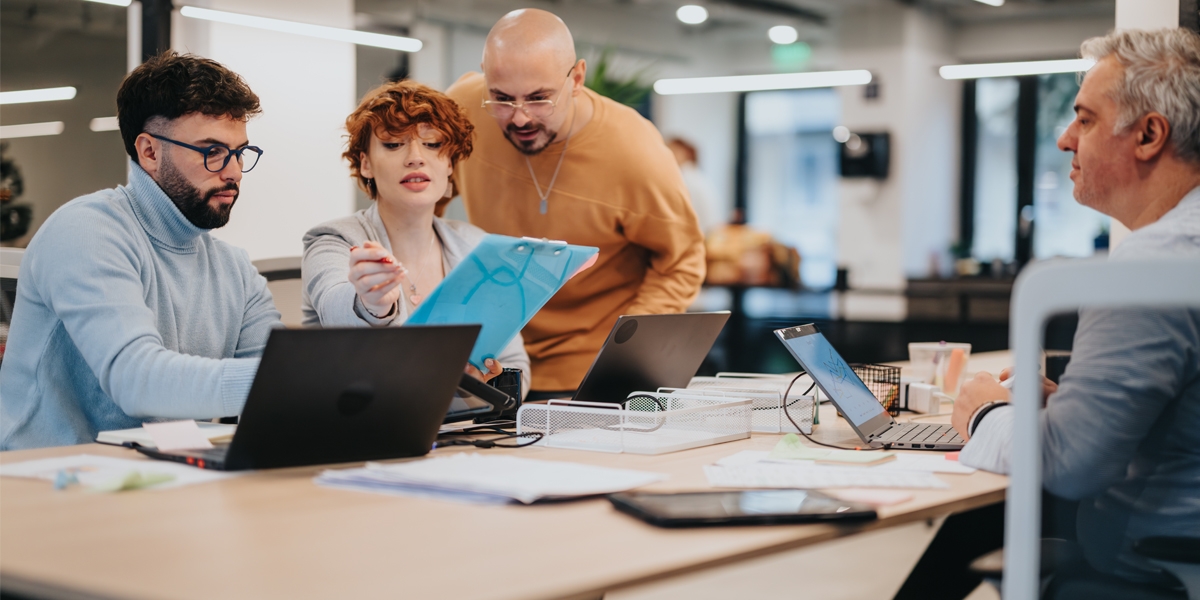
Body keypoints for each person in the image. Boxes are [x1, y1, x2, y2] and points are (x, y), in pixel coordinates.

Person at [950, 28, 1200, 590]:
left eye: (1084, 119)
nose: (1065, 140)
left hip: (1152, 576)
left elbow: (1070, 465)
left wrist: (987, 412)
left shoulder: (1155, 265)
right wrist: (1075, 406)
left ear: (1149, 135)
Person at [0, 52, 281, 450]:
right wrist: (288, 380)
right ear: (149, 152)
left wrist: (304, 380)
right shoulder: (87, 231)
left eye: (239, 153)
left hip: (156, 471)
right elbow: (136, 380)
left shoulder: (234, 269)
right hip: (41, 478)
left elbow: (280, 376)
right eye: (212, 151)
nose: (233, 171)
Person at [446, 9, 705, 399]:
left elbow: (681, 261)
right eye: (501, 99)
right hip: (492, 362)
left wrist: (624, 351)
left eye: (539, 99)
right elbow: (425, 202)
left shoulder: (634, 151)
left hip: (591, 369)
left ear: (577, 78)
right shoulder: (462, 110)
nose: (520, 119)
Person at [301, 80, 529, 395]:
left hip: (459, 435)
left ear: (449, 163)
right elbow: (336, 308)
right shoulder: (333, 239)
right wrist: (371, 301)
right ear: (366, 163)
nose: (416, 158)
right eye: (394, 145)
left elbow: (514, 362)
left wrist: (489, 386)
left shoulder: (475, 246)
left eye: (433, 145)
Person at [666, 137, 722, 235]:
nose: (667, 154)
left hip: (701, 237)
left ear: (687, 154)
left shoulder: (685, 178)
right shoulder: (697, 175)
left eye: (673, 150)